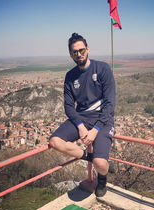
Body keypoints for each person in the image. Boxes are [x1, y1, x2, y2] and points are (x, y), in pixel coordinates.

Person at [49, 33, 116, 197]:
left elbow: (110, 103)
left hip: (103, 119)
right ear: (70, 54)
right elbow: (69, 106)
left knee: (101, 164)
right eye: (74, 52)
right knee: (55, 141)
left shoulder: (102, 68)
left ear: (87, 49)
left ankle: (102, 179)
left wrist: (95, 130)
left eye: (81, 50)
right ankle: (92, 157)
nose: (78, 54)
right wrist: (80, 126)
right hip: (81, 118)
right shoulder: (70, 76)